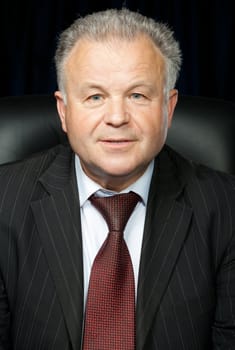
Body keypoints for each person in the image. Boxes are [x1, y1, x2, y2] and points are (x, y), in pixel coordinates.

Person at [0, 8, 235, 350]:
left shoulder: (226, 209)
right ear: (64, 111)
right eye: (95, 96)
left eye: (137, 95)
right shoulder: (4, 201)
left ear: (168, 109)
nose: (116, 117)